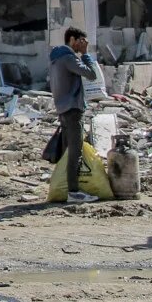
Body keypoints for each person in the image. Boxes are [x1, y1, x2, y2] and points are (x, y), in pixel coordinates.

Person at [47, 27, 97, 204]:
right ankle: (74, 192)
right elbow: (91, 74)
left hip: (63, 109)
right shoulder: (68, 58)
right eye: (81, 41)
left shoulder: (56, 60)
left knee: (69, 152)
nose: (82, 45)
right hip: (73, 110)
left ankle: (68, 189)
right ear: (73, 39)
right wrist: (85, 54)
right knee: (75, 152)